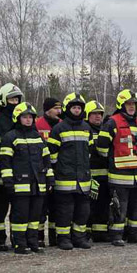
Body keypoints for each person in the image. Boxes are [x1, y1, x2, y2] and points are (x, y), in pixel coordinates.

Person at [95, 89, 137, 246]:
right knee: (119, 207)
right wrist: (113, 160)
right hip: (119, 175)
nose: (131, 107)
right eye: (128, 104)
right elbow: (102, 147)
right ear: (121, 104)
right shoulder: (112, 121)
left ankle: (135, 234)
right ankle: (116, 235)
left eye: (133, 104)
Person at [0, 102, 53, 254]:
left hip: (38, 184)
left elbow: (46, 161)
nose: (28, 120)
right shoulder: (10, 137)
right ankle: (19, 244)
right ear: (18, 118)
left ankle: (32, 241)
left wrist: (50, 180)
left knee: (35, 217)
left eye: (30, 117)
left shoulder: (38, 137)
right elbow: (5, 162)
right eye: (25, 117)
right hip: (19, 185)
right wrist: (8, 182)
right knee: (20, 216)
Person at [48, 93, 93, 250]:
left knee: (83, 210)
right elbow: (52, 154)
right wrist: (57, 171)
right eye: (74, 107)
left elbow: (90, 151)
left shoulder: (87, 128)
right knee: (65, 211)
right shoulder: (58, 129)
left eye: (79, 107)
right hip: (65, 178)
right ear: (68, 109)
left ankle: (79, 237)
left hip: (83, 178)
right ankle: (64, 239)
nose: (76, 110)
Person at [0, 83, 24, 250]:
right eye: (11, 99)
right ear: (3, 100)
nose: (14, 102)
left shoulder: (22, 119)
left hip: (19, 172)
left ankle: (17, 239)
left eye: (17, 99)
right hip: (0, 172)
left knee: (18, 209)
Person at [36, 96, 62, 246]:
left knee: (56, 207)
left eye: (60, 108)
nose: (59, 111)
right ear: (47, 110)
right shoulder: (37, 124)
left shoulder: (62, 124)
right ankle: (39, 238)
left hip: (58, 170)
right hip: (41, 170)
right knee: (41, 208)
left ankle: (54, 237)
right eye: (55, 109)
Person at [85, 100, 110, 242]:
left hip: (104, 175)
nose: (98, 117)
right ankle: (86, 232)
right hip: (90, 175)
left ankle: (100, 233)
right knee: (89, 206)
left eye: (100, 114)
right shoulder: (85, 129)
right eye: (94, 114)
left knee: (103, 204)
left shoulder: (105, 130)